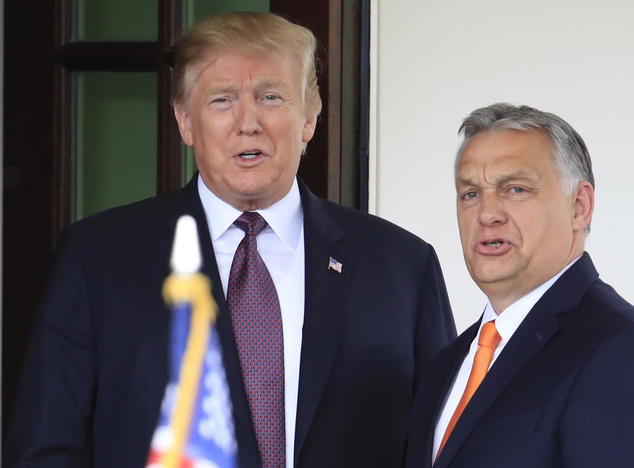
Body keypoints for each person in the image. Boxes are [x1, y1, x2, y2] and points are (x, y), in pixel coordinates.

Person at [5, 12, 456, 468]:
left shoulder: (401, 265)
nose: (248, 123)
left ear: (309, 121)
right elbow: (46, 448)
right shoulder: (96, 259)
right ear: (185, 121)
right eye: (222, 100)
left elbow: (441, 445)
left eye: (271, 97)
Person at [405, 103, 634, 468]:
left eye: (515, 189)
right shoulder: (444, 366)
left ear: (579, 207)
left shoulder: (626, 357)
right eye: (470, 194)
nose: (486, 213)